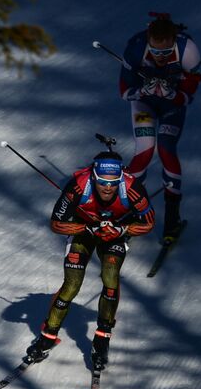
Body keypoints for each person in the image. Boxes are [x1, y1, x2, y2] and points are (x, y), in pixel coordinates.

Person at [25, 150, 155, 371]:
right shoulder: (78, 185)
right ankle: (49, 334)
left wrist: (122, 228)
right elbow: (56, 223)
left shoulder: (132, 188)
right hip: (83, 230)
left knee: (110, 277)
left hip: (114, 234)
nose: (108, 187)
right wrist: (87, 227)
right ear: (94, 177)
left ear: (120, 178)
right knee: (72, 283)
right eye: (103, 182)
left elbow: (148, 223)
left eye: (113, 183)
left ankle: (102, 338)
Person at [117, 13, 201, 240]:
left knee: (165, 148)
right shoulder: (135, 48)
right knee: (144, 151)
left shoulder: (188, 50)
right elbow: (124, 91)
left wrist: (174, 93)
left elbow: (188, 96)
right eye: (155, 52)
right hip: (144, 104)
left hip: (171, 107)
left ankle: (172, 219)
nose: (160, 57)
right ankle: (128, 211)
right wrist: (142, 91)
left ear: (174, 40)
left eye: (165, 52)